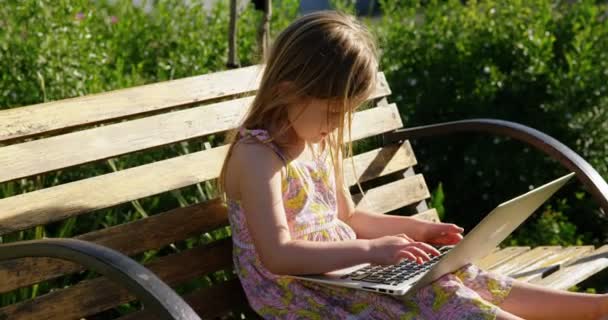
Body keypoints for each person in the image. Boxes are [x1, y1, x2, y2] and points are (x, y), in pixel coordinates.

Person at [218, 10, 608, 320]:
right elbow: (278, 254)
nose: (337, 126)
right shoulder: (258, 157)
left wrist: (418, 230)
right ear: (287, 90)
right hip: (297, 293)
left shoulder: (317, 142)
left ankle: (594, 309)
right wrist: (370, 251)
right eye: (332, 113)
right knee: (442, 297)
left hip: (345, 277)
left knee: (452, 275)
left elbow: (349, 218)